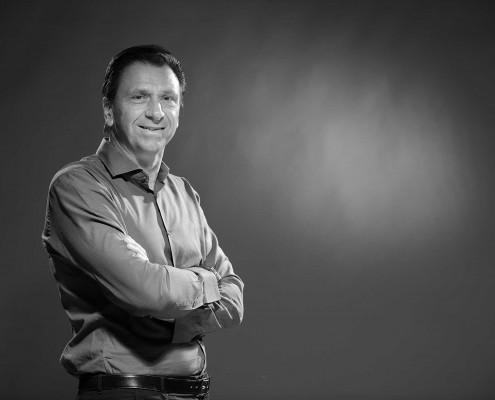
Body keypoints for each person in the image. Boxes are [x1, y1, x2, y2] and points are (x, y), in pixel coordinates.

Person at [41, 45, 244, 400]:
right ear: (109, 110)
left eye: (168, 98)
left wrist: (167, 299)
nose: (156, 112)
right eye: (139, 97)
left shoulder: (183, 192)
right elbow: (143, 291)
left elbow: (235, 298)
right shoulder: (78, 186)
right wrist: (206, 282)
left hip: (196, 392)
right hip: (124, 392)